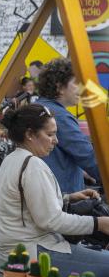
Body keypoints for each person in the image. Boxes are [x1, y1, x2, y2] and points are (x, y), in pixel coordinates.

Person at [0, 104, 109, 277]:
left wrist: (68, 198)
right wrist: (98, 223)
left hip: (13, 252)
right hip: (32, 253)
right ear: (30, 134)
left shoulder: (13, 159)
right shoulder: (32, 165)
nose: (55, 141)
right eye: (50, 134)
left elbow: (25, 203)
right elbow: (52, 220)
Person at [35, 58, 101, 194]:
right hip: (64, 197)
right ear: (59, 87)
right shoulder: (60, 116)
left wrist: (79, 171)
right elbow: (88, 156)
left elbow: (55, 156)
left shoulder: (38, 107)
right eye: (76, 83)